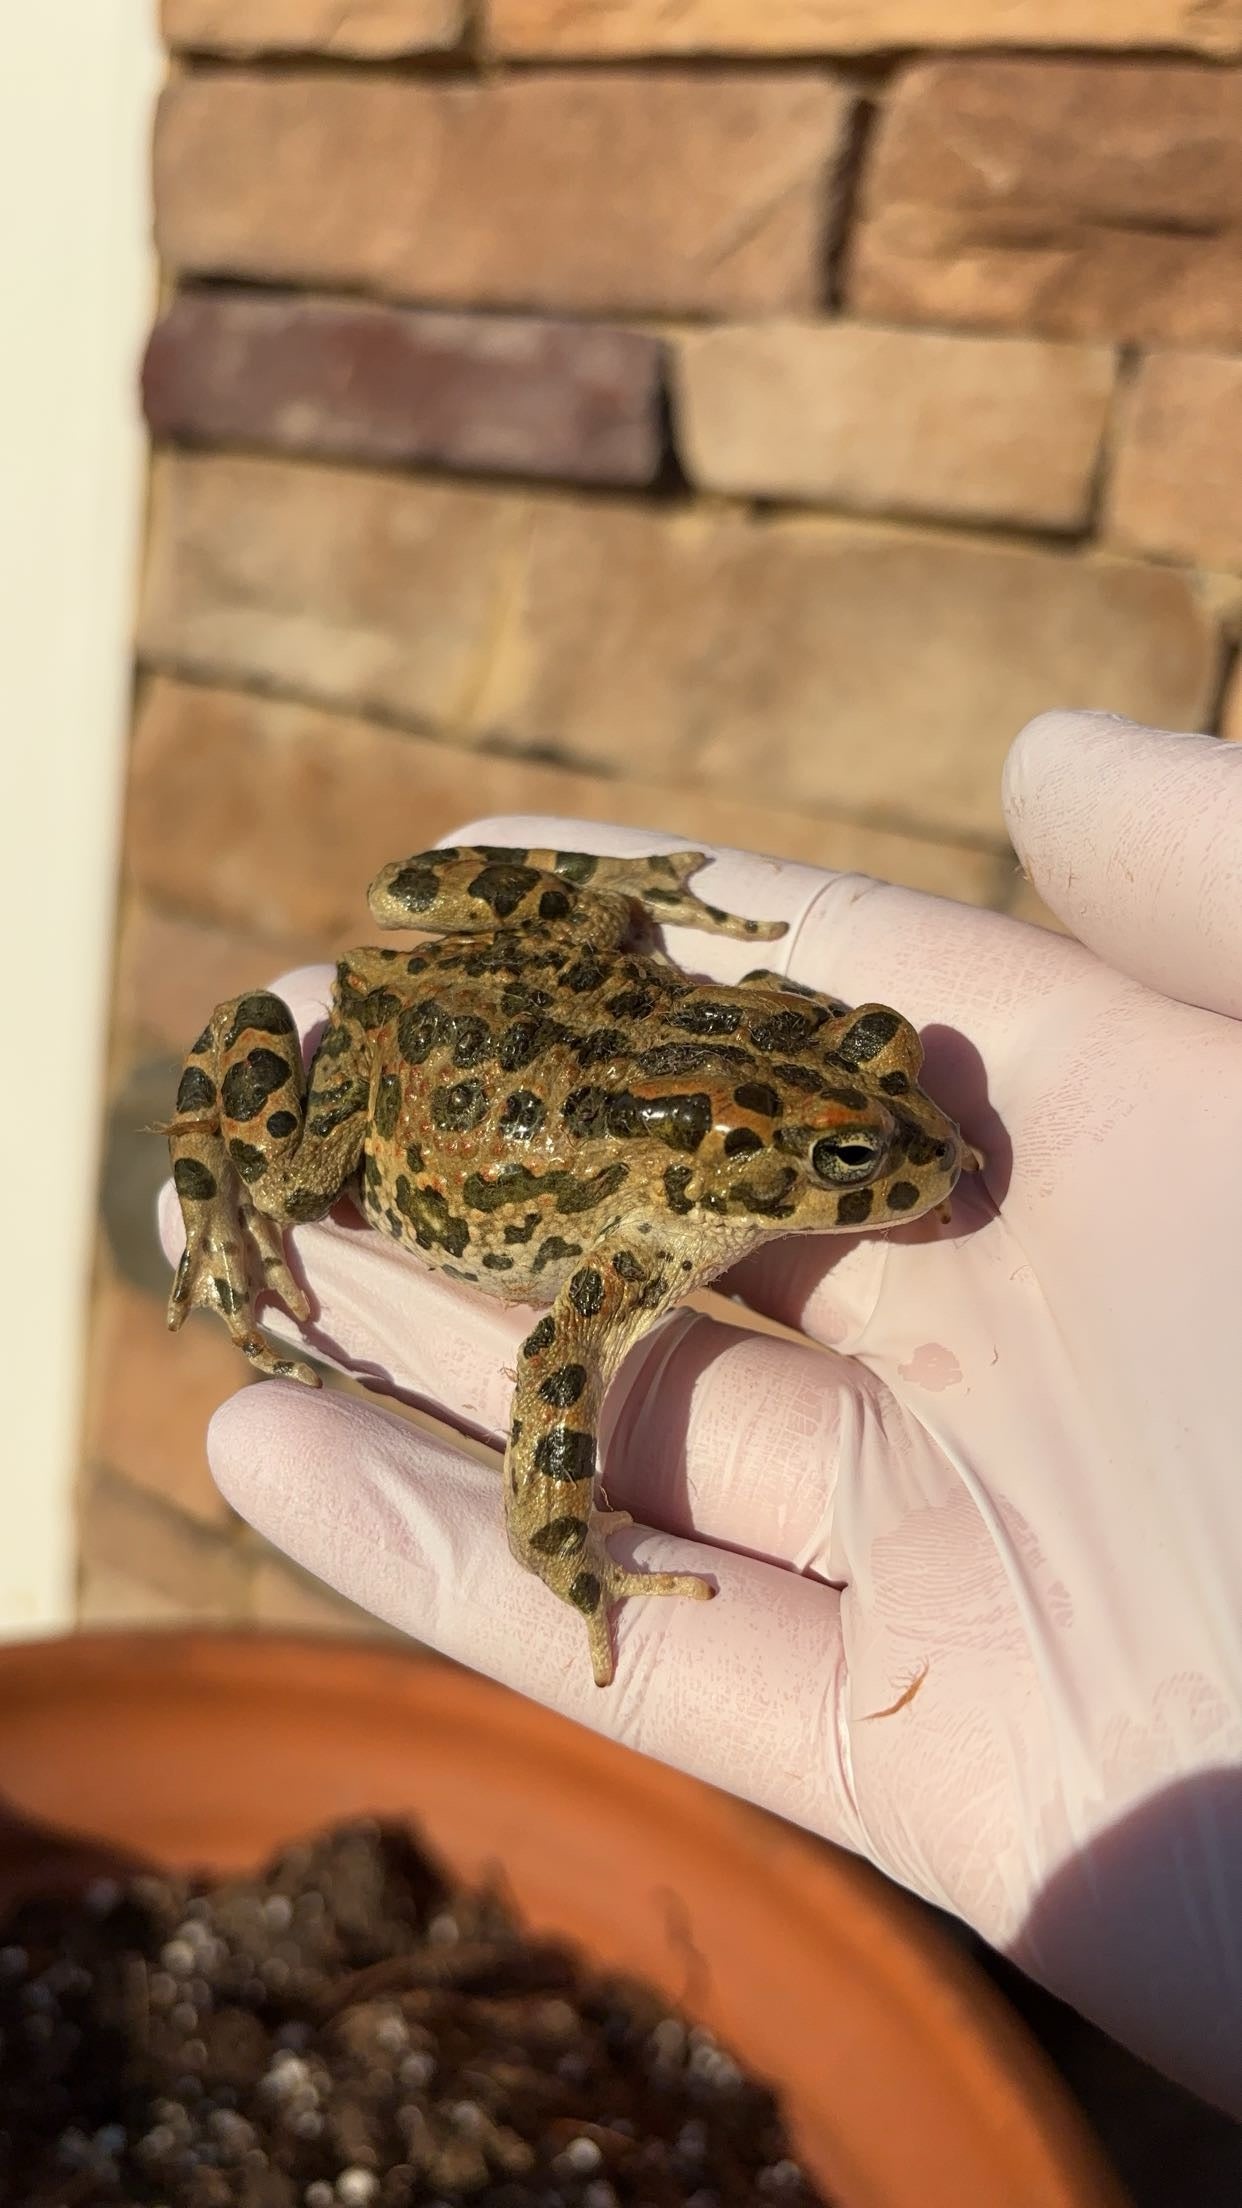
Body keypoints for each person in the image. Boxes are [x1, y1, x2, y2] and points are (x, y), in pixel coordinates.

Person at [159, 709, 1242, 2117]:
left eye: (883, 1075)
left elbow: (418, 913)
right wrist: (563, 1547)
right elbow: (557, 1362)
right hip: (392, 1094)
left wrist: (616, 907)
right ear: (762, 1181)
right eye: (858, 1157)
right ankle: (213, 1202)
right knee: (298, 1184)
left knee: (442, 892)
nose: (941, 1153)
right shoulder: (645, 1228)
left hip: (547, 1011)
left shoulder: (716, 1147)